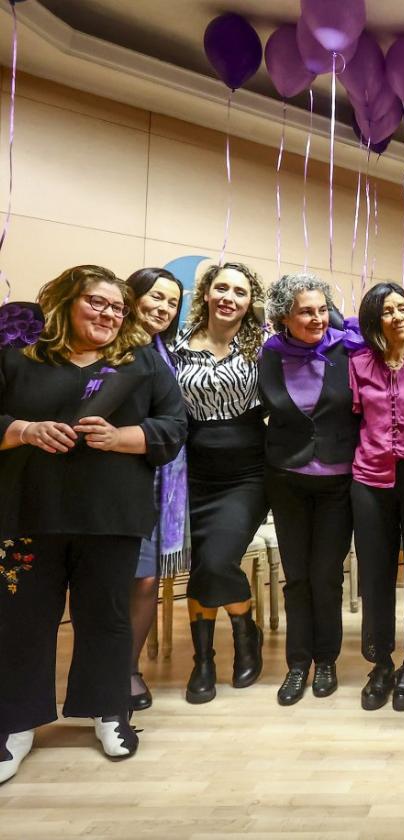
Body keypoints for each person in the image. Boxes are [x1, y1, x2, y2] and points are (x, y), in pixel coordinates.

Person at [0, 266, 186, 782]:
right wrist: (23, 429)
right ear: (64, 302)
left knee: (106, 617)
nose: (109, 315)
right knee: (22, 622)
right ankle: (15, 724)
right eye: (97, 304)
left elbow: (174, 425)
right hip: (27, 512)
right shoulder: (19, 354)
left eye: (117, 308)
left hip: (110, 515)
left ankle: (110, 712)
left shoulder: (141, 359)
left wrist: (122, 438)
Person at [260, 273, 358, 706]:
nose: (317, 318)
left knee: (326, 576)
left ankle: (328, 660)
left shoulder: (347, 347)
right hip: (287, 479)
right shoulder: (269, 353)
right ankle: (298, 664)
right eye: (305, 311)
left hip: (338, 482)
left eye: (322, 309)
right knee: (296, 577)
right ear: (285, 315)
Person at [174, 262, 269, 705]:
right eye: (222, 288)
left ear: (251, 302)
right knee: (204, 566)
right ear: (206, 294)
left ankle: (243, 636)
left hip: (247, 475)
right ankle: (205, 660)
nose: (230, 297)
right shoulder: (174, 349)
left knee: (215, 560)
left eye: (241, 291)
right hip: (191, 476)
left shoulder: (264, 348)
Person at [348, 281, 404, 712]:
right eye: (388, 311)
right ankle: (379, 661)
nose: (399, 316)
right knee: (376, 573)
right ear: (373, 319)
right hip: (369, 478)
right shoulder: (358, 363)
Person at [127, 267, 189, 712]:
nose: (163, 308)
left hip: (157, 482)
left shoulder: (169, 352)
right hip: (111, 479)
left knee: (145, 579)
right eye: (155, 297)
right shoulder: (112, 347)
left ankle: (126, 668)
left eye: (172, 302)